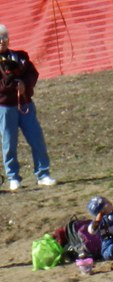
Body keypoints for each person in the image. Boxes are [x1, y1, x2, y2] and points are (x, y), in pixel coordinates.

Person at [0, 24, 56, 192]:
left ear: (8, 39)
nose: (1, 41)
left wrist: (25, 83)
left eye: (3, 37)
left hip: (25, 104)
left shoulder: (20, 57)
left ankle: (43, 173)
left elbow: (33, 73)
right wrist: (14, 84)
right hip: (5, 107)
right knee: (9, 142)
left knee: (36, 138)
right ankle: (13, 177)